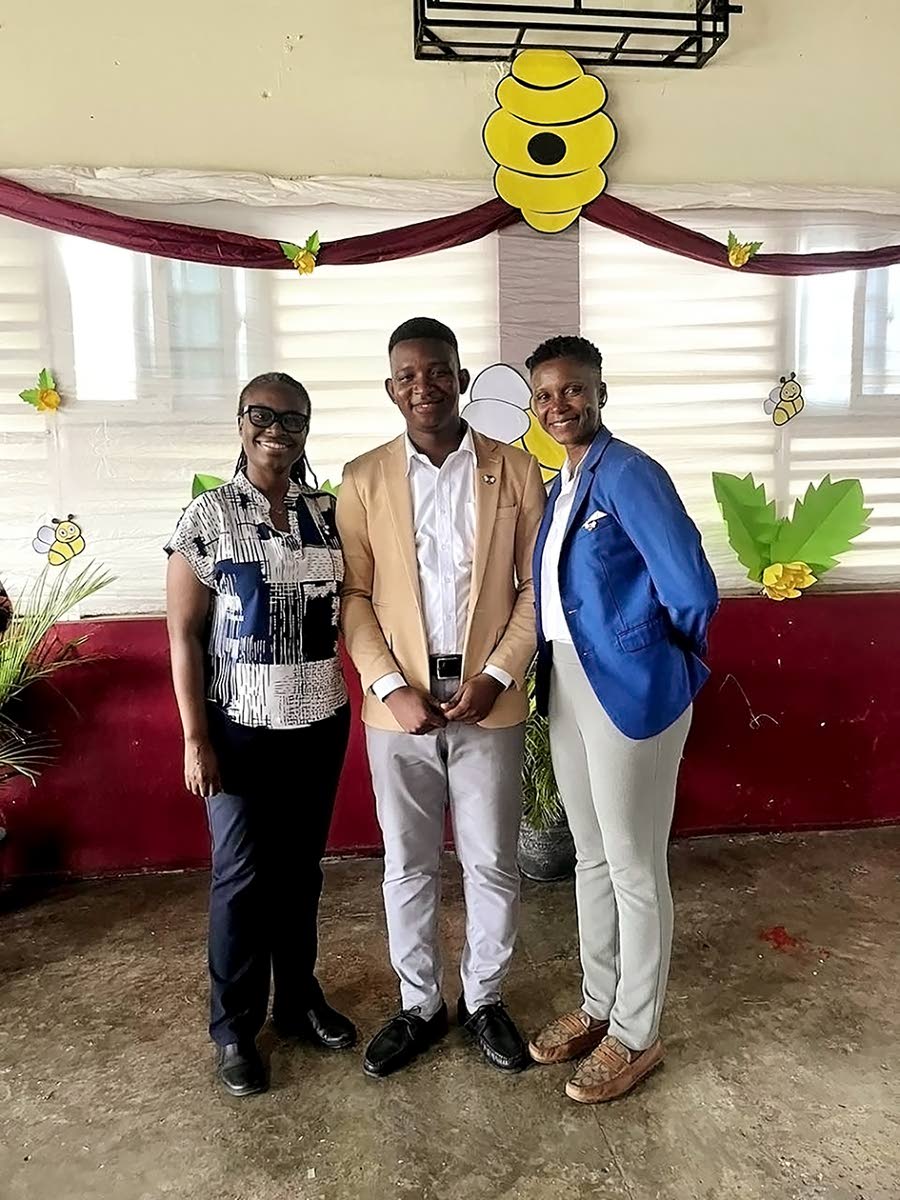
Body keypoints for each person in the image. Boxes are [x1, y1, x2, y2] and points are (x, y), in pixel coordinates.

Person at [337, 317, 546, 1078]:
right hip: (399, 709)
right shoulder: (361, 480)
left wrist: (498, 672)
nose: (422, 386)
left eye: (436, 371)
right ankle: (420, 1005)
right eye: (406, 375)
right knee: (408, 864)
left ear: (460, 377)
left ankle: (484, 1000)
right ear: (390, 388)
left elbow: (534, 588)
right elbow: (354, 595)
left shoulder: (516, 470)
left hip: (490, 697)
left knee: (492, 862)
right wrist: (390, 687)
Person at [525, 336, 718, 1103]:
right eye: (544, 395)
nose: (558, 405)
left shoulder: (629, 472)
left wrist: (661, 662)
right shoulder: (565, 481)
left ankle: (637, 1034)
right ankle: (599, 1004)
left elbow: (693, 587)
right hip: (569, 683)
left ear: (601, 391)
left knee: (635, 866)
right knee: (591, 856)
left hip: (632, 687)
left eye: (572, 390)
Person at [165, 372, 355, 1098]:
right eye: (262, 415)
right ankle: (234, 1028)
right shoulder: (207, 516)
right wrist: (194, 739)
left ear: (307, 428)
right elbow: (184, 635)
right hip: (237, 729)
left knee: (300, 872)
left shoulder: (329, 513)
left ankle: (298, 1001)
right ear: (240, 421)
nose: (277, 429)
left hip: (317, 723)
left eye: (293, 419)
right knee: (243, 878)